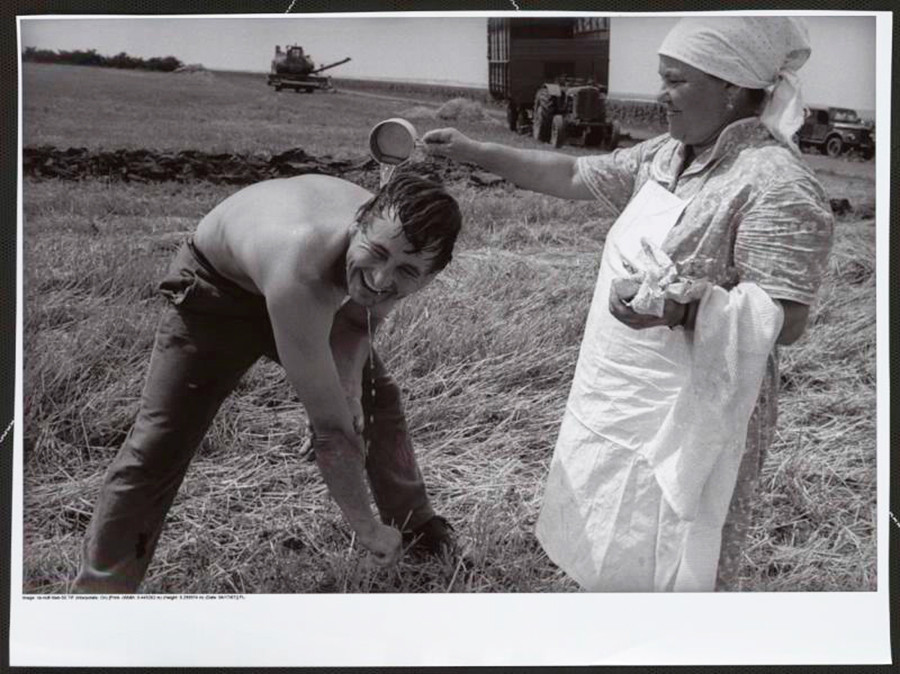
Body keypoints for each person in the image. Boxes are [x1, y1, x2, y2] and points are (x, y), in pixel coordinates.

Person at [423, 17, 833, 591]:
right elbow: (571, 172)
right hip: (620, 394)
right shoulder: (669, 154)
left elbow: (786, 318)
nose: (659, 95)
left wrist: (683, 309)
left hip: (692, 416)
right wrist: (474, 150)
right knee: (610, 538)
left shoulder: (775, 183)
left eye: (675, 81)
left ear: (732, 88)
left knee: (674, 558)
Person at [73, 169, 462, 593]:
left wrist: (349, 388)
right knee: (159, 443)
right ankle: (100, 593)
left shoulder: (399, 232)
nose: (383, 279)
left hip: (292, 285)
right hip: (215, 289)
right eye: (377, 254)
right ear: (356, 226)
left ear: (431, 276)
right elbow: (330, 433)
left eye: (407, 272)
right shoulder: (305, 267)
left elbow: (357, 320)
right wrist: (366, 529)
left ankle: (418, 529)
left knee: (377, 400)